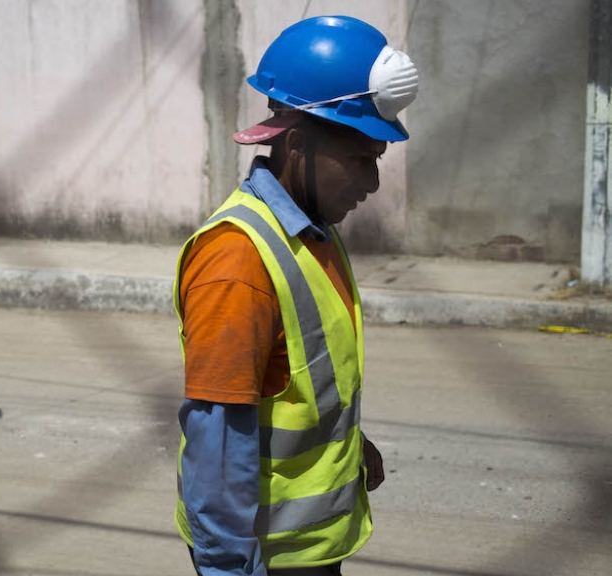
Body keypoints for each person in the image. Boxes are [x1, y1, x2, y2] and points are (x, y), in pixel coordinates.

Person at [174, 16, 419, 575]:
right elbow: (215, 445)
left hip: (310, 548)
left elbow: (300, 383)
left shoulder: (313, 231)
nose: (373, 184)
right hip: (266, 556)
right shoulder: (237, 259)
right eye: (359, 159)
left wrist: (349, 446)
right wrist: (230, 567)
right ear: (298, 144)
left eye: (376, 160)